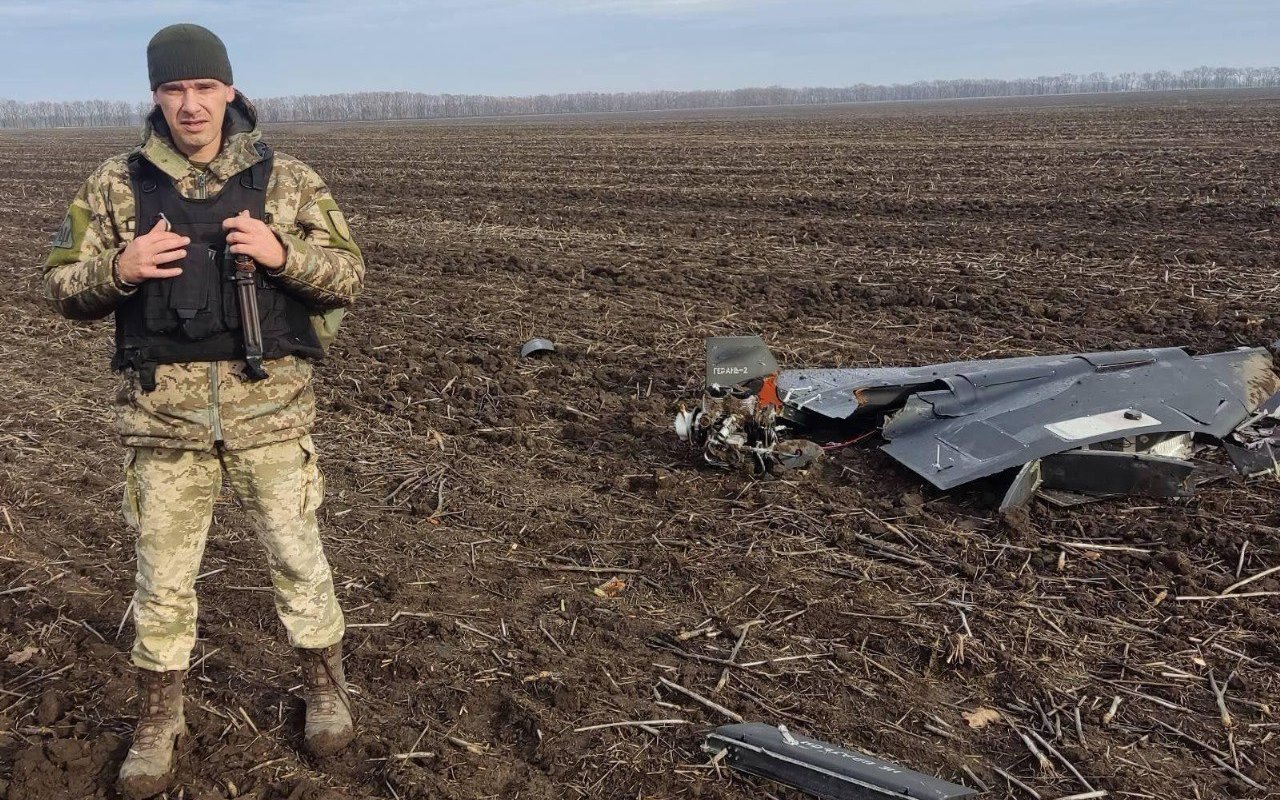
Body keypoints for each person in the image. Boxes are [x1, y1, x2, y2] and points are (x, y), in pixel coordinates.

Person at [41, 23, 365, 799]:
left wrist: (284, 255)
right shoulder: (115, 186)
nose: (190, 104)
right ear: (156, 95)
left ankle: (324, 688)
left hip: (273, 418)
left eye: (203, 87)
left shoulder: (287, 181)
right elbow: (57, 284)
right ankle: (159, 718)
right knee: (162, 579)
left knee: (297, 559)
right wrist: (118, 269)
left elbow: (350, 277)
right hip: (163, 428)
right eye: (174, 89)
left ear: (229, 89)